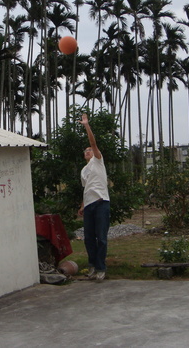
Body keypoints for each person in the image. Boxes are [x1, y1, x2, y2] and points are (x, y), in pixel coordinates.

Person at [77, 113, 110, 282]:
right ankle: (92, 266)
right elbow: (86, 189)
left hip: (101, 203)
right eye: (86, 151)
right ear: (84, 156)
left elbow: (93, 142)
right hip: (89, 205)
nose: (88, 150)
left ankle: (101, 268)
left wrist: (86, 125)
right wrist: (82, 206)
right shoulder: (84, 171)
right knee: (89, 238)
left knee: (101, 238)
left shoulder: (98, 161)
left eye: (90, 149)